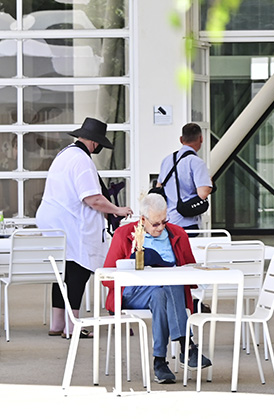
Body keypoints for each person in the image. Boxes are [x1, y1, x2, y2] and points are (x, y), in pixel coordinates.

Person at [36, 117, 133, 337]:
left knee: (63, 271)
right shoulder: (82, 160)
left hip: (53, 220)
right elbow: (92, 198)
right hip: (70, 221)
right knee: (78, 270)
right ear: (96, 143)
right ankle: (73, 327)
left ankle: (57, 324)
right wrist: (116, 210)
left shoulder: (65, 154)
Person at [103, 193, 211, 384]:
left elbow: (190, 272)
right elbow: (107, 278)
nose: (161, 228)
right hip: (132, 292)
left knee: (162, 291)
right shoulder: (124, 234)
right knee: (167, 282)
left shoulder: (177, 233)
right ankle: (187, 347)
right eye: (155, 224)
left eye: (164, 221)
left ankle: (159, 361)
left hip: (163, 294)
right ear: (143, 219)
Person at [157, 122, 213, 234]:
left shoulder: (167, 160)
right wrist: (210, 184)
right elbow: (203, 193)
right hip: (187, 222)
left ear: (181, 139)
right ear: (201, 139)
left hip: (168, 221)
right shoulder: (196, 162)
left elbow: (159, 187)